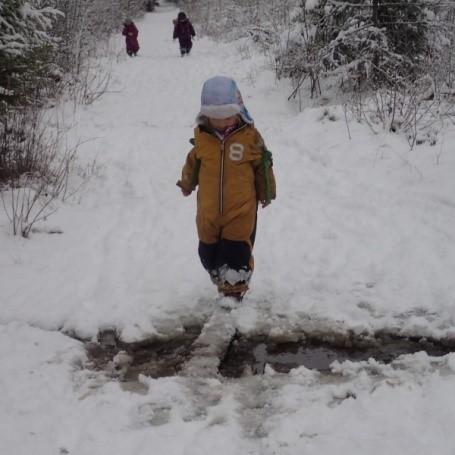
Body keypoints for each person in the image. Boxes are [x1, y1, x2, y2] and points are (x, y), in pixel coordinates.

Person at [177, 76, 276, 301]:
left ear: (238, 111)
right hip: (208, 211)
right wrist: (187, 183)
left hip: (241, 209)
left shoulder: (250, 138)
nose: (221, 123)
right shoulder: (203, 139)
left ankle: (234, 290)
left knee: (235, 252)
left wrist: (266, 192)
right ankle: (220, 276)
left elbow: (263, 164)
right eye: (215, 118)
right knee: (207, 253)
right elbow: (193, 162)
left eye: (227, 117)